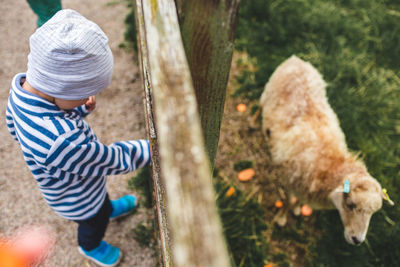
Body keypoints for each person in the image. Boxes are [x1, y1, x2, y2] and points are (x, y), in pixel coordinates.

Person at [5, 9, 151, 267]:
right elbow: (106, 159)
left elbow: (17, 126)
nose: (88, 98)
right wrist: (150, 149)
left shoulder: (21, 91)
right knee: (93, 221)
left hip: (77, 182)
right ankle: (90, 246)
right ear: (59, 88)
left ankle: (107, 208)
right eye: (84, 93)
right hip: (76, 197)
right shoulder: (61, 143)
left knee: (101, 203)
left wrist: (79, 107)